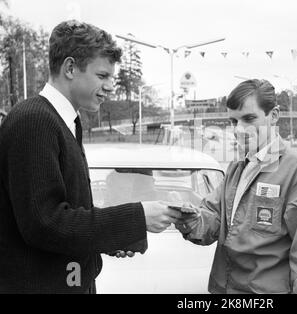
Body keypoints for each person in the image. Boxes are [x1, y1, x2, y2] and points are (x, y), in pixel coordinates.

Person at [0, 20, 181, 294]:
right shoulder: (34, 121)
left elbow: (69, 211)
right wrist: (136, 218)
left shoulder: (65, 120)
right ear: (70, 68)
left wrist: (111, 237)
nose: (110, 86)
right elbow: (45, 224)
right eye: (102, 76)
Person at [176, 79, 297, 294]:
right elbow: (214, 220)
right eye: (233, 121)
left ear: (274, 115)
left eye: (249, 118)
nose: (239, 129)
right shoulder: (237, 168)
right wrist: (188, 218)